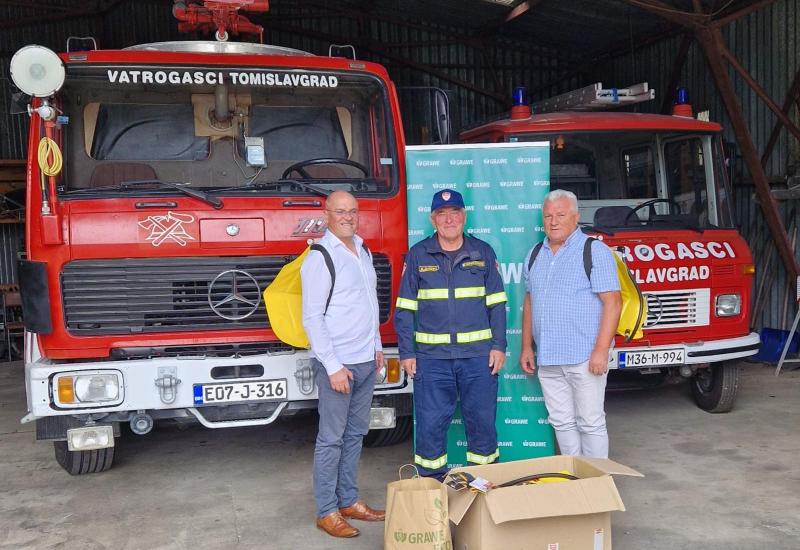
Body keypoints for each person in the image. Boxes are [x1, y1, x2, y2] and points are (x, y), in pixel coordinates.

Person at [394, 189, 507, 480]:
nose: (449, 219)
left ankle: (483, 498)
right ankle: (432, 496)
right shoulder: (418, 254)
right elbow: (405, 309)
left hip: (478, 359)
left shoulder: (483, 252)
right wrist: (406, 352)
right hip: (432, 361)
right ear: (433, 219)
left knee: (482, 425)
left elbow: (497, 305)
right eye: (442, 214)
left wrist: (499, 346)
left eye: (454, 213)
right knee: (430, 427)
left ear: (464, 217)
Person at [301, 190, 385, 539]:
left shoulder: (362, 250)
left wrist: (378, 346)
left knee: (355, 435)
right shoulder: (320, 257)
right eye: (340, 211)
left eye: (352, 211)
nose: (348, 216)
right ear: (327, 214)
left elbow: (369, 305)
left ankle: (349, 500)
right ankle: (327, 511)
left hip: (366, 359)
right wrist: (333, 366)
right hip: (340, 366)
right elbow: (312, 318)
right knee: (331, 439)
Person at [520, 189, 622, 458]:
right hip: (549, 357)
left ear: (576, 217)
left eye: (561, 215)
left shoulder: (594, 250)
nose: (553, 221)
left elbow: (613, 302)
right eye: (548, 216)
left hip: (585, 357)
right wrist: (526, 347)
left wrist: (601, 351)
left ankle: (597, 485)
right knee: (562, 423)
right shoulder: (534, 255)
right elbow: (530, 302)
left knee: (590, 422)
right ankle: (576, 482)